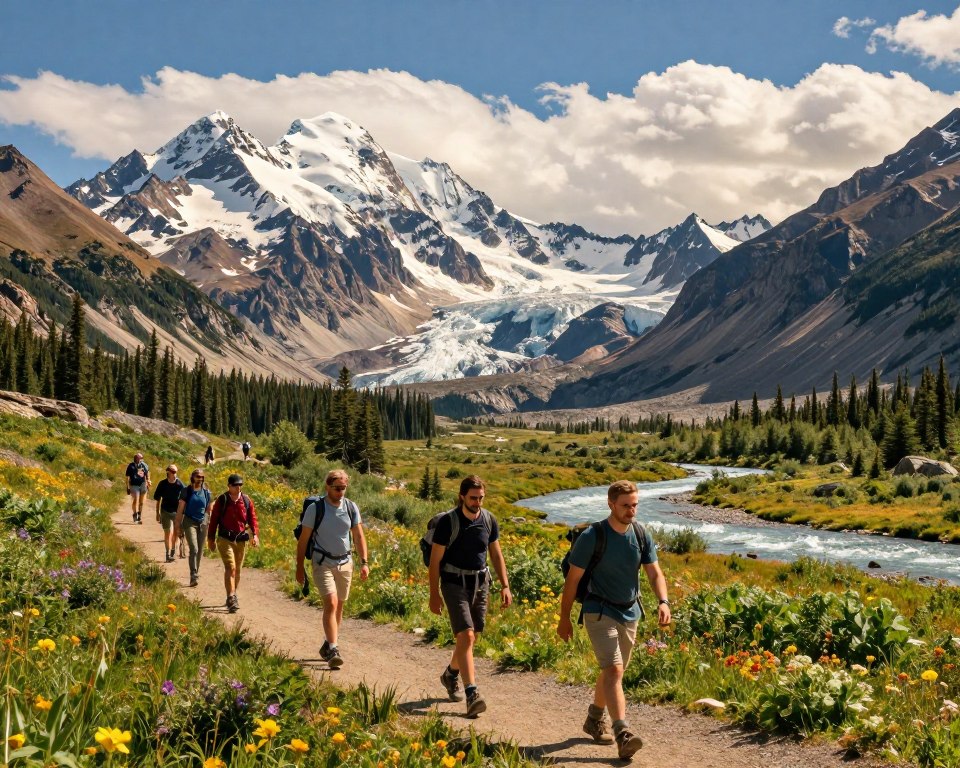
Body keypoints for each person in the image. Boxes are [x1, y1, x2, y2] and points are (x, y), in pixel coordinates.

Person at [556, 480, 671, 761]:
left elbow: (654, 573)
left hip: (630, 611)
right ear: (610, 504)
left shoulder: (641, 534)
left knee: (612, 673)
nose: (632, 511)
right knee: (615, 671)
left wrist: (664, 601)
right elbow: (573, 581)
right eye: (626, 506)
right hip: (598, 610)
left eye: (635, 505)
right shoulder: (593, 536)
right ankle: (624, 733)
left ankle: (594, 718)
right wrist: (565, 619)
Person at [429, 475, 512, 718]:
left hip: (480, 583)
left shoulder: (488, 520)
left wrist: (505, 585)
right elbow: (434, 563)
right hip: (454, 583)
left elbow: (496, 555)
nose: (477, 503)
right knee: (465, 635)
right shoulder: (448, 523)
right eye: (473, 498)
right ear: (462, 496)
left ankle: (450, 674)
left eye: (481, 498)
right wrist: (434, 594)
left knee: (471, 638)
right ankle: (472, 693)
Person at [295, 470, 369, 669]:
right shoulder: (315, 509)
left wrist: (364, 562)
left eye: (343, 488)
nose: (340, 492)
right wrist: (299, 567)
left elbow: (359, 536)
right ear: (327, 486)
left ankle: (328, 643)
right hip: (322, 562)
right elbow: (303, 541)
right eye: (337, 488)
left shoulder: (351, 508)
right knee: (331, 602)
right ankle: (334, 649)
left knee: (340, 606)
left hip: (345, 563)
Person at [207, 473, 259, 613]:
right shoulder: (222, 500)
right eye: (236, 485)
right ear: (229, 486)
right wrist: (211, 539)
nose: (238, 487)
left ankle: (233, 595)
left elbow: (252, 519)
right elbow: (214, 521)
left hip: (241, 540)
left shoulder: (246, 501)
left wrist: (255, 535)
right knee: (231, 567)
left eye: (240, 485)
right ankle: (231, 597)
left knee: (238, 571)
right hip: (225, 539)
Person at [174, 469, 213, 587]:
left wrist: (208, 521)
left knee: (200, 551)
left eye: (201, 477)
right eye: (197, 476)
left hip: (203, 523)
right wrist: (177, 526)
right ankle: (193, 574)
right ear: (192, 477)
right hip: (189, 521)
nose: (200, 479)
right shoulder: (186, 491)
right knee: (194, 548)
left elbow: (208, 508)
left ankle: (195, 573)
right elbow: (180, 510)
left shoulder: (206, 492)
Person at [153, 465, 184, 562]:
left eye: (175, 472)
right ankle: (167, 553)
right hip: (165, 511)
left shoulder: (180, 485)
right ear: (168, 472)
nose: (175, 474)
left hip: (176, 512)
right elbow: (158, 499)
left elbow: (185, 498)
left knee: (175, 533)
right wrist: (157, 513)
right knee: (167, 533)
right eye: (173, 472)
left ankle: (173, 552)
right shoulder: (162, 484)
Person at [125, 452, 151, 524]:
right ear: (136, 458)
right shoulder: (131, 466)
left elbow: (147, 473)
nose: (141, 460)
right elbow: (127, 476)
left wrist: (148, 482)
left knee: (141, 502)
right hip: (134, 485)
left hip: (142, 484)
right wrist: (127, 487)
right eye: (140, 458)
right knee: (136, 500)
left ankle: (139, 514)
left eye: (141, 458)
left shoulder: (144, 465)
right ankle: (135, 514)